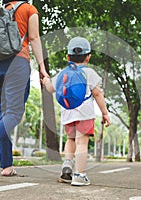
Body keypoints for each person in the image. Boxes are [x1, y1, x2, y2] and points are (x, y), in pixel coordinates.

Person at [0, 0, 49, 181]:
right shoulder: (29, 9)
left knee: (2, 113)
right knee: (14, 112)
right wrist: (42, 68)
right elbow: (35, 38)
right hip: (17, 62)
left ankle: (6, 165)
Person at [42, 36, 110, 186]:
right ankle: (79, 175)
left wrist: (46, 79)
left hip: (68, 114)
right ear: (88, 57)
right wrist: (104, 113)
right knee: (81, 143)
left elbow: (50, 88)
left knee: (71, 140)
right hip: (84, 115)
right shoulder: (89, 73)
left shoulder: (62, 73)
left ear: (67, 57)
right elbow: (97, 93)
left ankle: (67, 167)